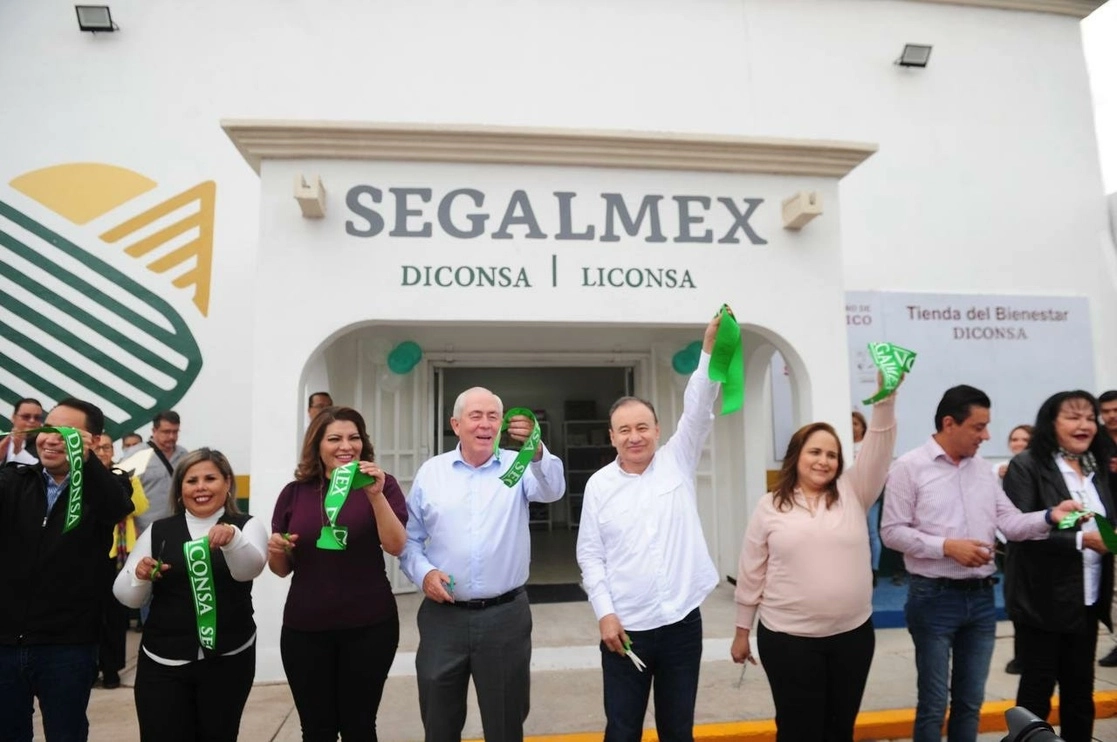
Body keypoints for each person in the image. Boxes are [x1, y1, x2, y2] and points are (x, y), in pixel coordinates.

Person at [881, 385, 1083, 742]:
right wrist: (947, 547)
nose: (986, 436)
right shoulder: (908, 468)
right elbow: (892, 532)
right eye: (978, 427)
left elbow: (1012, 524)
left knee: (970, 703)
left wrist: (1052, 515)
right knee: (932, 704)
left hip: (981, 602)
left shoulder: (983, 471)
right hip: (933, 598)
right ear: (949, 423)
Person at [574, 312, 726, 742]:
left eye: (642, 427)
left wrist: (709, 348)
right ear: (611, 437)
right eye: (624, 430)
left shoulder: (678, 460)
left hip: (681, 623)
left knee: (678, 731)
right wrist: (605, 614)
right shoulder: (599, 485)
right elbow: (590, 554)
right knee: (622, 731)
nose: (634, 436)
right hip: (626, 630)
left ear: (658, 430)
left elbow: (699, 406)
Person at [733, 379, 898, 742]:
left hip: (852, 638)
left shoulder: (854, 492)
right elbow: (751, 570)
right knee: (798, 731)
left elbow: (880, 445)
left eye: (832, 454)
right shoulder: (770, 505)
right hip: (788, 640)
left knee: (840, 730)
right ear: (797, 455)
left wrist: (885, 398)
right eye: (815, 452)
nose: (824, 460)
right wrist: (742, 631)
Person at [401, 388, 565, 742]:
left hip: (504, 617)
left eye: (493, 416)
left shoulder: (516, 465)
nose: (485, 424)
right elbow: (409, 541)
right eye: (476, 416)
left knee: (505, 722)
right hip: (443, 617)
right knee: (439, 720)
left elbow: (553, 490)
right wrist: (424, 573)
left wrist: (537, 452)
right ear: (456, 424)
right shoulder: (432, 473)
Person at [269, 406, 408, 742]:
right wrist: (278, 551)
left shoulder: (381, 486)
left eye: (354, 437)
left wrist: (374, 496)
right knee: (316, 730)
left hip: (369, 626)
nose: (346, 446)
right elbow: (281, 569)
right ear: (317, 445)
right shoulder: (294, 493)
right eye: (334, 438)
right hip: (305, 629)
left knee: (360, 726)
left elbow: (395, 545)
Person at [0, 398, 135, 742]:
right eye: (49, 429)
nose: (52, 439)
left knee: (66, 734)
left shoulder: (106, 486)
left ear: (91, 441)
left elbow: (116, 507)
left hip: (67, 645)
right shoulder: (15, 480)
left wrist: (86, 464)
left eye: (68, 433)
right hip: (5, 643)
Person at [114, 448, 268, 742]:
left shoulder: (246, 525)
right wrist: (140, 576)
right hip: (163, 661)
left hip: (228, 659)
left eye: (210, 478)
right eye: (191, 480)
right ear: (180, 487)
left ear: (227, 483)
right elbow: (127, 597)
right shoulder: (157, 531)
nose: (200, 487)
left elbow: (250, 569)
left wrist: (233, 541)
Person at [1002, 391, 1114, 742]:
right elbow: (1018, 530)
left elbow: (1105, 523)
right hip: (1042, 601)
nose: (1084, 425)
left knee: (1080, 695)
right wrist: (1082, 541)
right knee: (1036, 696)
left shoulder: (1096, 464)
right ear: (1051, 423)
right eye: (1073, 417)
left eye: (1089, 417)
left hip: (1088, 600)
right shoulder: (1028, 465)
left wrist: (1109, 539)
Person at [94, 434, 150, 689]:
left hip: (117, 555)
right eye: (97, 448)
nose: (102, 452)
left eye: (106, 447)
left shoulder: (122, 474)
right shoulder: (80, 475)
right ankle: (92, 666)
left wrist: (128, 480)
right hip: (89, 556)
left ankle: (112, 668)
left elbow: (138, 506)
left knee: (115, 615)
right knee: (90, 614)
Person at [994, 424, 1033, 675]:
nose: (1018, 443)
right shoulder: (999, 469)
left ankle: (1028, 655)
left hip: (1034, 543)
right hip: (1006, 543)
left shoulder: (1037, 469)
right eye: (1014, 438)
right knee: (1016, 600)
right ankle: (1022, 655)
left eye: (1024, 439)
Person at [1, 397, 43, 464]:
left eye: (37, 417)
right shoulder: (2, 440)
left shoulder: (43, 446)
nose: (32, 420)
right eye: (26, 416)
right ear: (13, 417)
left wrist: (18, 449)